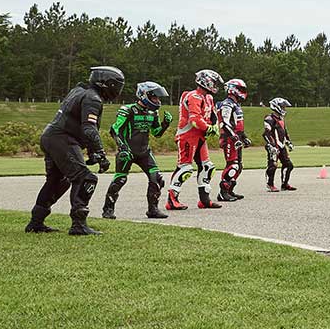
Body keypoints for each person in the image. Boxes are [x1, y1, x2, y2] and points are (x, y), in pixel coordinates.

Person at [27, 66, 124, 235]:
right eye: (116, 85)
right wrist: (101, 153)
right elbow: (89, 129)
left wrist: (92, 152)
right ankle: (78, 224)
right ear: (106, 84)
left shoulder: (79, 91)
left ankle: (36, 223)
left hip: (51, 137)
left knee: (57, 181)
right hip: (62, 139)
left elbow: (79, 124)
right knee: (86, 179)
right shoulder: (93, 98)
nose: (117, 90)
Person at [101, 82, 172, 219]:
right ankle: (108, 210)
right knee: (120, 179)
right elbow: (115, 130)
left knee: (156, 178)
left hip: (144, 152)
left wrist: (165, 124)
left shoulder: (153, 112)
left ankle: (153, 210)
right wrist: (122, 147)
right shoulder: (128, 109)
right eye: (154, 97)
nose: (157, 100)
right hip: (127, 151)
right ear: (144, 95)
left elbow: (156, 133)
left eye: (158, 98)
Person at [168, 69, 224, 211]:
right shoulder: (193, 96)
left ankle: (204, 200)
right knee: (185, 168)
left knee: (207, 167)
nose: (215, 85)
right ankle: (172, 199)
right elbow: (195, 120)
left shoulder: (209, 98)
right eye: (214, 82)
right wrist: (209, 128)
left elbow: (212, 115)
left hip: (200, 137)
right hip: (187, 136)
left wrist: (215, 126)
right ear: (206, 81)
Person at [216, 78, 253, 202]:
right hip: (229, 139)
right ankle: (223, 192)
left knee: (239, 166)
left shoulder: (236, 104)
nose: (243, 92)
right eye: (240, 89)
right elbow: (224, 123)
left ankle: (229, 190)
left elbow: (238, 126)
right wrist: (233, 136)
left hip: (236, 139)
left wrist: (244, 137)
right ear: (232, 89)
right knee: (232, 165)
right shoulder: (227, 104)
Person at [263, 98, 297, 191]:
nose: (284, 109)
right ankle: (270, 184)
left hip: (281, 146)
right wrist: (272, 145)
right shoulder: (269, 119)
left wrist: (289, 142)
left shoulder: (281, 119)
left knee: (289, 165)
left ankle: (284, 184)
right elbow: (266, 134)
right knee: (273, 165)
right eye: (283, 107)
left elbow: (284, 132)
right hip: (273, 146)